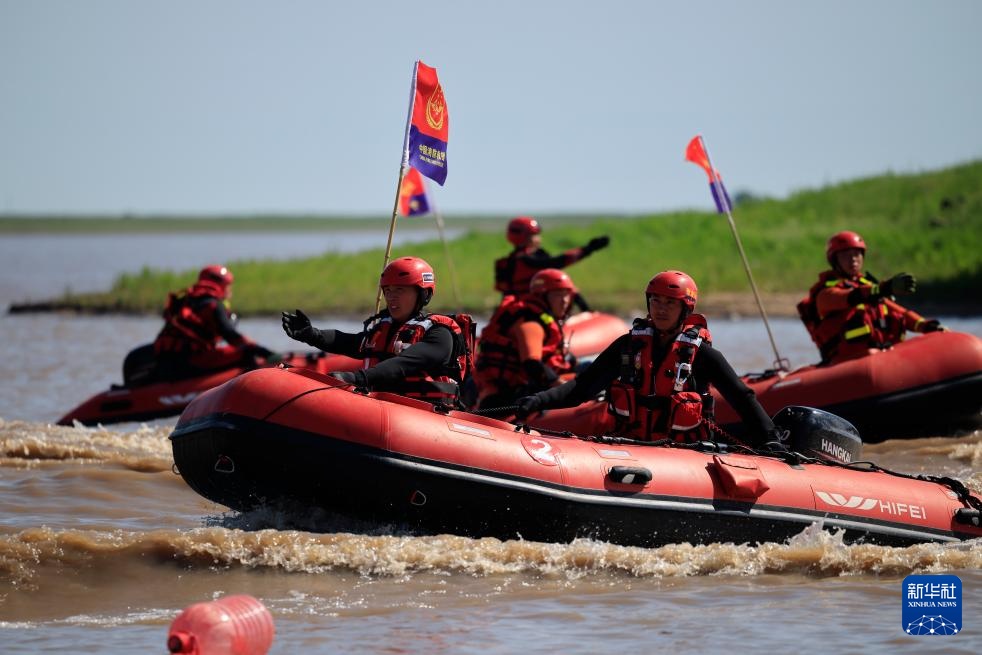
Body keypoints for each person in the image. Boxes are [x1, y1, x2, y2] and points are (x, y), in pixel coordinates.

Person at [513, 270, 783, 449]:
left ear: (685, 308)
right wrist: (538, 401)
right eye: (656, 301)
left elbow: (742, 398)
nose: (661, 309)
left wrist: (770, 440)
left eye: (670, 303)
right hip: (632, 446)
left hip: (684, 453)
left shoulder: (703, 355)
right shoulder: (628, 346)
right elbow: (582, 388)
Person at [281, 256, 473, 405]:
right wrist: (312, 334)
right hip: (384, 409)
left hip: (427, 417)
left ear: (424, 294)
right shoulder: (384, 330)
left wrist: (357, 378)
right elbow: (351, 342)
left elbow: (404, 363)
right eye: (387, 290)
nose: (391, 297)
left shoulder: (440, 334)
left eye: (400, 290)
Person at [798, 230, 946, 364]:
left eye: (857, 254)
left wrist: (925, 326)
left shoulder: (869, 287)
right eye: (845, 255)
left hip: (882, 355)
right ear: (834, 260)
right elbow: (852, 297)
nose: (853, 259)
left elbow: (900, 313)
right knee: (872, 353)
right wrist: (884, 288)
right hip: (846, 362)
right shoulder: (825, 294)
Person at [474, 268, 578, 409]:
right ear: (542, 296)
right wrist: (563, 388)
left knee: (586, 367)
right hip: (509, 395)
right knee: (586, 378)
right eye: (558, 294)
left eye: (567, 294)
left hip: (526, 387)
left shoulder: (541, 317)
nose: (564, 301)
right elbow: (531, 363)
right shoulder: (531, 322)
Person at [152, 265, 274, 380]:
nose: (229, 290)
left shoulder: (184, 299)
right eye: (227, 285)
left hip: (166, 358)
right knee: (247, 352)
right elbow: (231, 336)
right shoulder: (213, 304)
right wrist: (266, 353)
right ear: (221, 285)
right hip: (190, 361)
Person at [494, 216, 610, 310]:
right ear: (527, 238)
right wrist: (588, 249)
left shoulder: (507, 262)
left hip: (511, 309)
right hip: (530, 309)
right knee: (568, 288)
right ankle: (587, 312)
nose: (539, 238)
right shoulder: (528, 260)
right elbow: (558, 262)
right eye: (535, 235)